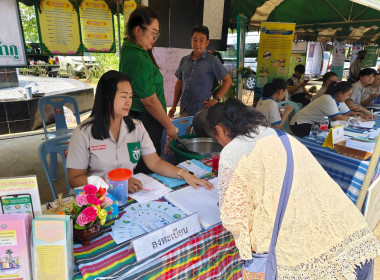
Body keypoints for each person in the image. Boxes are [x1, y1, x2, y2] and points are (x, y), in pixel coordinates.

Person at [205, 98, 380, 279]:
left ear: (220, 129)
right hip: (350, 239)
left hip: (299, 258)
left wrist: (224, 206)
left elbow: (234, 220)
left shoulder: (233, 150)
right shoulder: (280, 135)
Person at [66, 70, 213, 193]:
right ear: (106, 98)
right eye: (123, 96)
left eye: (130, 97)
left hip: (130, 195)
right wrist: (116, 183)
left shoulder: (136, 127)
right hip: (98, 200)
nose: (128, 102)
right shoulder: (83, 133)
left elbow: (155, 162)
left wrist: (184, 174)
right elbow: (74, 180)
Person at [119, 5, 177, 173]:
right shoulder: (139, 59)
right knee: (146, 168)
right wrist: (169, 126)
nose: (155, 38)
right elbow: (150, 101)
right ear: (138, 30)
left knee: (138, 164)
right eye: (153, 32)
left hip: (136, 120)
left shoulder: (129, 49)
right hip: (145, 121)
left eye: (156, 34)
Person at [168, 26, 232, 118]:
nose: (197, 43)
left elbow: (228, 80)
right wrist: (174, 107)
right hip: (184, 110)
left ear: (207, 43)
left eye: (201, 40)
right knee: (184, 132)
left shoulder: (212, 60)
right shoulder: (184, 60)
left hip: (202, 112)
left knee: (199, 132)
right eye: (195, 39)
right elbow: (179, 84)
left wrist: (216, 99)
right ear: (191, 41)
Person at [290, 81, 363, 137]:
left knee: (333, 129)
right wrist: (359, 119)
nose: (348, 97)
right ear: (340, 93)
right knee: (330, 130)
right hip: (300, 125)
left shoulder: (339, 100)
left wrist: (361, 115)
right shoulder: (327, 98)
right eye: (348, 94)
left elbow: (349, 114)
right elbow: (338, 118)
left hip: (315, 124)